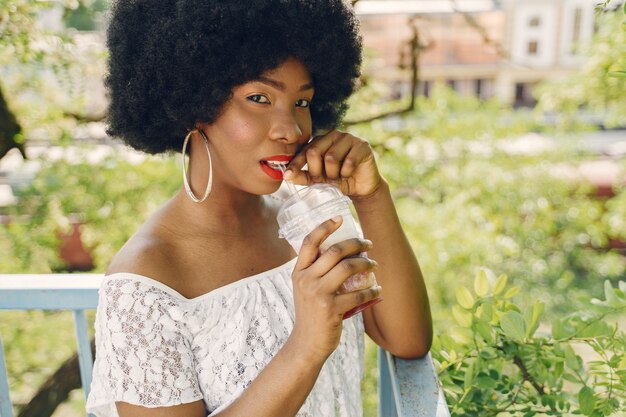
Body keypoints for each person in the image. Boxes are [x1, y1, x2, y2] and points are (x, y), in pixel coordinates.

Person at [86, 1, 432, 416]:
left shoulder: (308, 213)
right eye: (258, 98)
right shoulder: (145, 284)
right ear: (195, 102)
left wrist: (372, 197)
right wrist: (306, 346)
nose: (290, 130)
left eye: (302, 103)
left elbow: (407, 340)